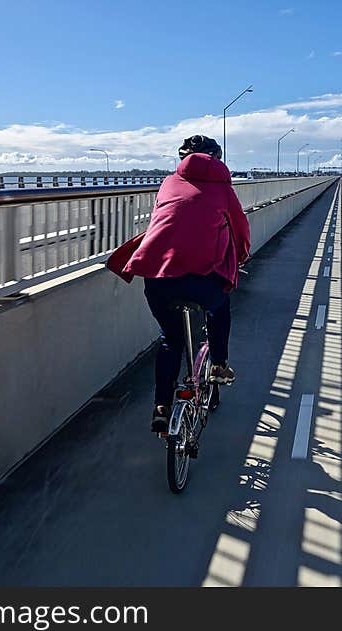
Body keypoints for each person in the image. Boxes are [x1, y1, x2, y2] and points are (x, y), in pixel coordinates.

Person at [120, 135, 251, 432]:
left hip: (158, 276)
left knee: (171, 339)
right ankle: (218, 364)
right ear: (216, 159)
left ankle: (162, 407)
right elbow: (240, 229)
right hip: (202, 280)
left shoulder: (167, 183)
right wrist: (242, 255)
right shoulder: (223, 188)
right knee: (219, 306)